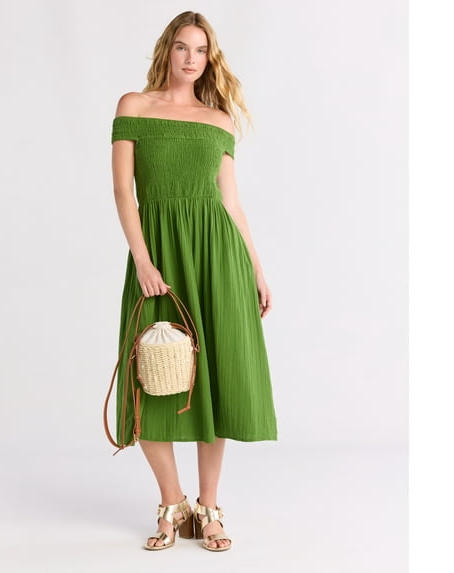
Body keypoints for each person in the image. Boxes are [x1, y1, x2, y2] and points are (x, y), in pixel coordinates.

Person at [110, 11, 277, 552]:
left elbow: (231, 203)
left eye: (201, 50)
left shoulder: (219, 119)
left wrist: (255, 267)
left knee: (215, 376)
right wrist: (142, 260)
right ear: (167, 49)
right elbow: (123, 193)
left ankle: (208, 507)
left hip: (218, 259)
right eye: (182, 47)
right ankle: (172, 503)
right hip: (159, 258)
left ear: (210, 58)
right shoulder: (134, 107)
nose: (191, 58)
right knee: (152, 377)